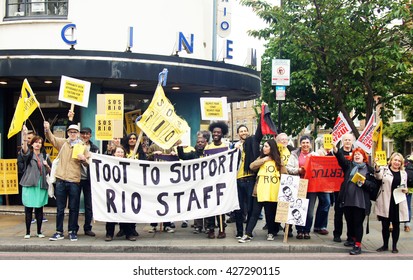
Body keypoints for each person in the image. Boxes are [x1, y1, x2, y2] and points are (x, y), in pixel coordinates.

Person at [44, 122, 90, 241]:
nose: (73, 134)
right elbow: (52, 139)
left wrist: (84, 159)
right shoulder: (63, 143)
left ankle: (72, 231)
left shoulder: (82, 146)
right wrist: (47, 129)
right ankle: (59, 231)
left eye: (75, 132)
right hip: (61, 180)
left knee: (74, 208)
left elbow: (88, 162)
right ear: (68, 133)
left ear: (78, 134)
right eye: (71, 132)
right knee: (60, 208)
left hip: (74, 180)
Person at [333, 145, 377, 255]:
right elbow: (341, 159)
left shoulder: (369, 169)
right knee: (350, 222)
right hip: (347, 200)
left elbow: (373, 186)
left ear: (364, 157)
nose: (357, 156)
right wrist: (336, 151)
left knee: (358, 223)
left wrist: (364, 183)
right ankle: (352, 239)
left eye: (359, 154)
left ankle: (358, 245)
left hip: (360, 201)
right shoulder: (349, 166)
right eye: (355, 154)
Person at [239, 139, 284, 243]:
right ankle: (248, 234)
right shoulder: (261, 158)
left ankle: (271, 233)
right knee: (254, 213)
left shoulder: (278, 160)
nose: (264, 148)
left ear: (272, 148)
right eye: (264, 146)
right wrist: (265, 159)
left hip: (273, 192)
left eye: (267, 146)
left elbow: (284, 174)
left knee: (270, 214)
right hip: (260, 191)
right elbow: (252, 166)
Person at [19, 126, 51, 239]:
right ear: (32, 144)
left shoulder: (45, 156)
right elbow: (24, 150)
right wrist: (24, 135)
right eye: (36, 142)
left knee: (39, 209)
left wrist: (47, 166)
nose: (38, 144)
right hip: (29, 184)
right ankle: (27, 232)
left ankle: (39, 231)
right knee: (28, 209)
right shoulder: (28, 155)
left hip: (41, 185)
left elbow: (50, 171)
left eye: (40, 143)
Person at [374, 152, 409, 253]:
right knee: (385, 225)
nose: (397, 162)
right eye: (395, 160)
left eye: (399, 161)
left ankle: (394, 246)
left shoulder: (403, 173)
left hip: (398, 202)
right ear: (391, 161)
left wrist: (406, 190)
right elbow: (378, 176)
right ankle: (385, 245)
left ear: (401, 162)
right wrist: (377, 166)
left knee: (396, 225)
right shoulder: (384, 170)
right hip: (386, 200)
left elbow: (405, 186)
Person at [233, 123, 263, 238]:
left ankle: (248, 231)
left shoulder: (253, 143)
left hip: (250, 180)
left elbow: (259, 134)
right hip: (238, 180)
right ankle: (239, 231)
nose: (243, 132)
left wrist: (262, 113)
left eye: (245, 130)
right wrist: (235, 150)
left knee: (250, 207)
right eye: (241, 131)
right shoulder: (235, 146)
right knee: (238, 208)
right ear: (238, 134)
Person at [286, 135, 317, 240]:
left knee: (310, 211)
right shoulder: (294, 154)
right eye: (303, 142)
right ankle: (299, 230)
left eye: (307, 142)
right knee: (299, 208)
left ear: (310, 144)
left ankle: (307, 230)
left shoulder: (315, 155)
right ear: (300, 144)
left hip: (311, 185)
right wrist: (299, 170)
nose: (305, 145)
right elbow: (288, 168)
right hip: (299, 184)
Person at [177, 134, 209, 234]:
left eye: (202, 142)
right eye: (198, 142)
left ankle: (208, 226)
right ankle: (198, 226)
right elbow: (182, 156)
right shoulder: (192, 154)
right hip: (196, 184)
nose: (200, 144)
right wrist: (179, 147)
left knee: (208, 205)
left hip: (208, 182)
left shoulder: (210, 154)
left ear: (206, 143)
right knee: (197, 204)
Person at [116, 132, 145, 237]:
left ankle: (132, 228)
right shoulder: (123, 151)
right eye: (130, 139)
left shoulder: (140, 152)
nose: (132, 140)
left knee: (133, 206)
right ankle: (122, 228)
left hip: (135, 182)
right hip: (123, 182)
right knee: (122, 206)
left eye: (134, 138)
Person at [105, 145, 136, 241]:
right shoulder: (108, 162)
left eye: (122, 152)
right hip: (112, 191)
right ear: (114, 153)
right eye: (118, 152)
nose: (120, 154)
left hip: (124, 192)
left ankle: (129, 234)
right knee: (111, 213)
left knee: (125, 212)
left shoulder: (128, 163)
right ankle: (109, 234)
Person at [204, 121, 229, 239]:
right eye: (214, 132)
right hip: (210, 180)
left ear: (222, 133)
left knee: (221, 206)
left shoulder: (226, 147)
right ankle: (211, 229)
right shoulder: (208, 147)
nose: (216, 134)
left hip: (222, 180)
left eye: (218, 132)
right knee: (210, 205)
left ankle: (222, 229)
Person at [146, 142, 178, 233]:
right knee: (155, 201)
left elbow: (176, 160)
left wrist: (174, 155)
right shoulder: (153, 147)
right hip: (155, 177)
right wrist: (153, 154)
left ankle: (167, 224)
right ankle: (153, 225)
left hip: (167, 177)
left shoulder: (170, 147)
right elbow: (147, 158)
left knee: (167, 201)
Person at [333, 133, 354, 243]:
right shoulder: (337, 152)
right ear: (342, 141)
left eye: (349, 140)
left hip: (351, 188)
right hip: (338, 187)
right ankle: (337, 234)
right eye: (345, 140)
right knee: (338, 212)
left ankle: (350, 236)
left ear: (352, 141)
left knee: (350, 213)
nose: (347, 142)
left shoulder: (356, 154)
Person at [78, 127, 99, 237]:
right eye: (82, 134)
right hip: (76, 178)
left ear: (90, 135)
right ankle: (73, 228)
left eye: (87, 134)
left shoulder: (95, 148)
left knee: (89, 204)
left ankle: (87, 228)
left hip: (90, 179)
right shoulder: (75, 146)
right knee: (74, 204)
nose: (85, 136)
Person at [404, 154, 413, 232]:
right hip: (410, 188)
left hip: (403, 187)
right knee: (408, 206)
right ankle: (407, 225)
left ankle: (391, 223)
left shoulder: (406, 159)